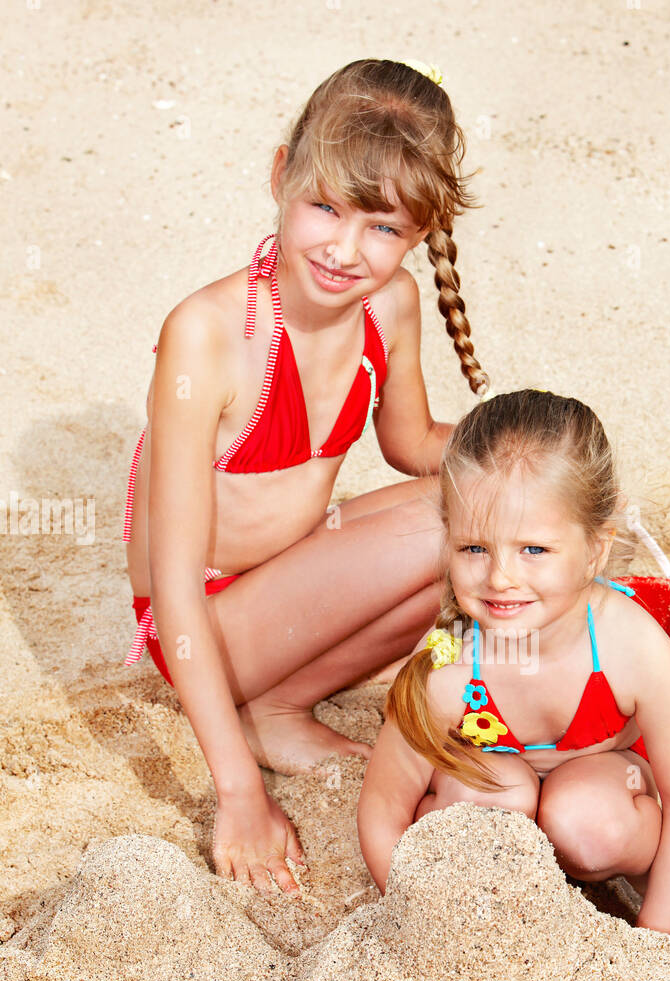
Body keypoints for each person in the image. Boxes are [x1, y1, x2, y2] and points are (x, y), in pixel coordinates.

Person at [122, 59, 487, 899]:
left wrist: (522, 446)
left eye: (383, 230)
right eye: (325, 206)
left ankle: (278, 710)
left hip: (287, 588)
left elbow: (411, 443)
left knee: (489, 506)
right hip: (196, 622)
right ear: (281, 172)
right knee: (448, 528)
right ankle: (248, 734)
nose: (344, 250)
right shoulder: (208, 334)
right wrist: (238, 798)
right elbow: (173, 584)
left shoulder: (389, 305)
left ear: (420, 232)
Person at [357, 390, 670, 934]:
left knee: (585, 820)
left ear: (596, 550)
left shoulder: (632, 647)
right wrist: (417, 918)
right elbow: (383, 808)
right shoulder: (448, 665)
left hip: (597, 789)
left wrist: (655, 941)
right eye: (474, 549)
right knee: (498, 794)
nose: (501, 577)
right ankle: (477, 886)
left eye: (534, 550)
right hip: (488, 791)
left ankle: (644, 876)